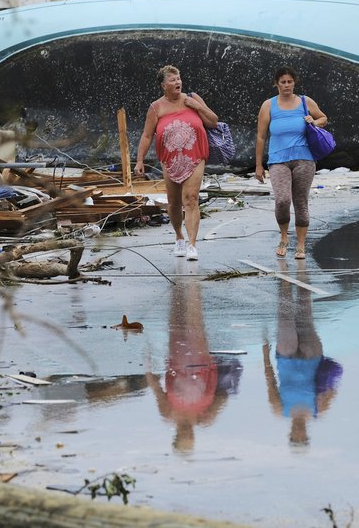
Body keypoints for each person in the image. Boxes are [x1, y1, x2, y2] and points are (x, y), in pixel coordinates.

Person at [146, 260, 237, 452]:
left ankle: (183, 281)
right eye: (190, 438)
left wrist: (147, 363)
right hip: (200, 361)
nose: (188, 434)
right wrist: (214, 412)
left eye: (185, 438)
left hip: (178, 359)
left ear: (178, 437)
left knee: (177, 320)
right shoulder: (204, 418)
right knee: (192, 320)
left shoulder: (169, 414)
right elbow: (224, 394)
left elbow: (156, 387)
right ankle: (191, 283)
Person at [135, 65, 218, 261]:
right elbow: (147, 136)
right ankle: (179, 237)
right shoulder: (156, 107)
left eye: (179, 78)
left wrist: (197, 106)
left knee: (191, 198)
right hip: (169, 159)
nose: (177, 82)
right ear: (163, 85)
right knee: (174, 202)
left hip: (195, 156)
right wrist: (140, 160)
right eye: (172, 80)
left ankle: (192, 244)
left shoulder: (193, 99)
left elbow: (213, 121)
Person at [262, 259, 342, 448]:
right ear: (306, 435)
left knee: (285, 312)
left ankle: (284, 273)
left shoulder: (279, 409)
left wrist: (265, 353)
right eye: (302, 438)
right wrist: (325, 392)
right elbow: (333, 385)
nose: (299, 434)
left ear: (290, 435)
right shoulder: (319, 410)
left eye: (296, 438)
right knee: (305, 306)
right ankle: (301, 267)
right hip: (311, 356)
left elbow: (270, 380)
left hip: (286, 357)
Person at [254, 66, 328, 259]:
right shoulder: (268, 105)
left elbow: (323, 118)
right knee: (282, 200)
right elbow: (261, 136)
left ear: (294, 82)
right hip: (278, 160)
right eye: (283, 82)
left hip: (304, 159)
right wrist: (259, 165)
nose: (286, 85)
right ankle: (284, 237)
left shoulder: (305, 101)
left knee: (300, 202)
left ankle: (301, 245)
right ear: (276, 84)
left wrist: (313, 121)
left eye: (290, 82)